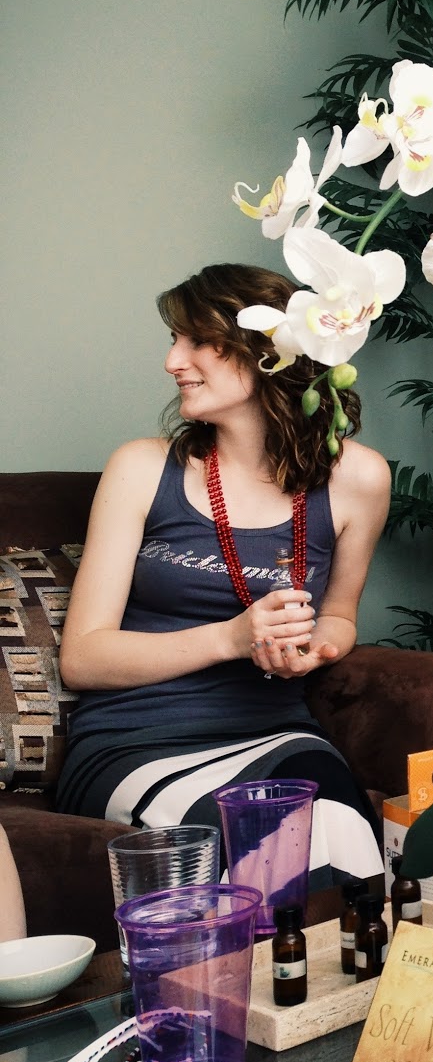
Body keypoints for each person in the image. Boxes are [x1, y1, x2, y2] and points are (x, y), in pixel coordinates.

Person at [57, 263, 392, 885]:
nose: (172, 361)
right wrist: (232, 638)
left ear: (266, 352)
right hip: (136, 739)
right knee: (250, 844)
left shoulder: (359, 479)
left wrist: (312, 649)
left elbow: (340, 617)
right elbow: (82, 658)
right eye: (174, 340)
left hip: (277, 731)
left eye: (196, 340)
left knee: (342, 826)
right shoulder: (141, 468)